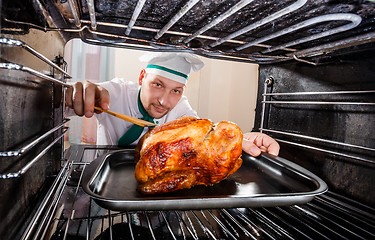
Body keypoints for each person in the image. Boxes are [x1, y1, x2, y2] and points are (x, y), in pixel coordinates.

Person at [65, 52, 279, 157]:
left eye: (176, 90)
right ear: (141, 78)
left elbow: (207, 135)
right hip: (107, 173)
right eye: (157, 84)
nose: (164, 101)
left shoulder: (181, 109)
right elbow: (62, 105)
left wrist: (240, 140)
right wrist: (71, 95)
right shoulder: (114, 92)